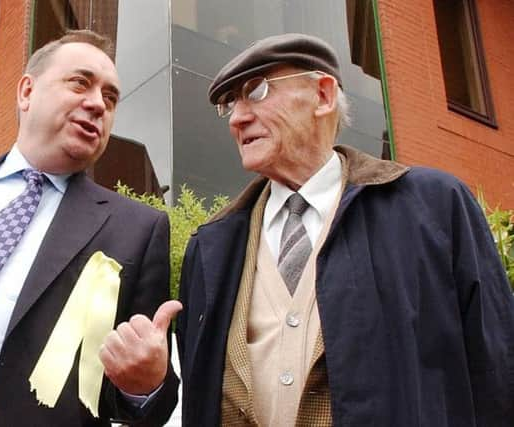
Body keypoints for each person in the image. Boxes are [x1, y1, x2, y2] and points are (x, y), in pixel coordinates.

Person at [175, 33, 514, 426]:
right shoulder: (211, 246)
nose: (237, 117)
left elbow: (498, 372)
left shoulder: (435, 207)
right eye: (230, 103)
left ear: (322, 95)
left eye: (257, 90)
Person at [0, 30, 180, 427]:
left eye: (110, 98)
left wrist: (146, 383)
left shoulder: (137, 230)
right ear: (26, 92)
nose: (96, 104)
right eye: (80, 83)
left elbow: (148, 403)